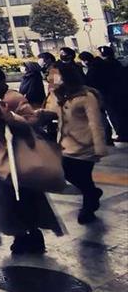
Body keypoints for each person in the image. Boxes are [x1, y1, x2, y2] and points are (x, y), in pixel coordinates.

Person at [0, 61, 62, 254]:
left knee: (27, 194)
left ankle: (34, 234)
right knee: (8, 197)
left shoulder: (13, 98)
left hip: (22, 153)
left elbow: (31, 121)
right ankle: (20, 234)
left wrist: (9, 117)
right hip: (2, 155)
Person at [41, 62, 107, 223]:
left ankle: (88, 205)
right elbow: (53, 113)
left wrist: (99, 147)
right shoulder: (60, 95)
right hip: (67, 144)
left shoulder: (86, 96)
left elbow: (95, 123)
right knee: (73, 174)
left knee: (79, 175)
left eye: (54, 74)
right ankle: (91, 195)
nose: (51, 77)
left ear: (65, 76)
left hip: (85, 145)